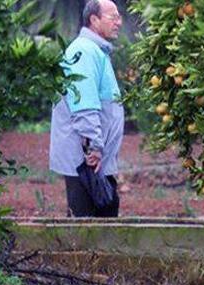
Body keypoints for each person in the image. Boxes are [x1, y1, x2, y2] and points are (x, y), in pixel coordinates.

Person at [49, 0, 125, 217]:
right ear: (94, 19)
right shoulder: (84, 51)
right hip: (87, 161)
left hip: (96, 161)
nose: (118, 22)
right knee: (88, 230)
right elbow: (84, 105)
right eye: (113, 17)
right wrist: (94, 147)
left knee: (103, 221)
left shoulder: (96, 51)